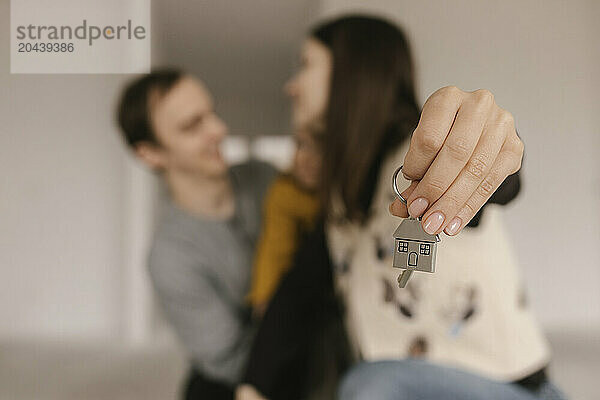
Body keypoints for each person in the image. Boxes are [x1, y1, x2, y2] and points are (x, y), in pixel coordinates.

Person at [239, 15, 566, 400]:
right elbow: (296, 294)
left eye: (306, 65)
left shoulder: (418, 151)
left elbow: (501, 180)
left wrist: (483, 139)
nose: (291, 86)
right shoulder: (339, 207)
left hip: (507, 388)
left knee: (366, 385)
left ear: (352, 72)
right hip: (400, 385)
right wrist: (251, 387)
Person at [116, 69, 276, 400]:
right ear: (150, 153)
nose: (219, 130)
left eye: (211, 113)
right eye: (192, 126)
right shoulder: (170, 257)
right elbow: (229, 361)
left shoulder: (266, 178)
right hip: (243, 374)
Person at [247, 122, 323, 315]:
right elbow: (275, 248)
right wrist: (264, 298)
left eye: (320, 148)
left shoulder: (343, 195)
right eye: (301, 145)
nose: (306, 158)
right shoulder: (284, 193)